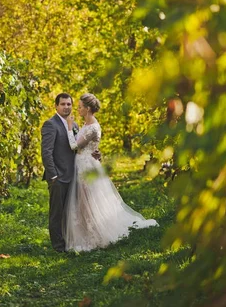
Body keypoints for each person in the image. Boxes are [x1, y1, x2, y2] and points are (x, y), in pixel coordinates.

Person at [63, 93, 158, 252]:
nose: (77, 109)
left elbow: (74, 146)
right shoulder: (86, 125)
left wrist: (68, 126)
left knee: (88, 201)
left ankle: (95, 234)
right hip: (84, 164)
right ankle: (86, 231)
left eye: (79, 107)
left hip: (86, 166)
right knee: (84, 201)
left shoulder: (92, 126)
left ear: (87, 109)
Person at [40, 93, 81, 252]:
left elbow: (77, 148)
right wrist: (53, 175)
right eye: (63, 104)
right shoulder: (50, 124)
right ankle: (58, 247)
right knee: (57, 213)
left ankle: (69, 242)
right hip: (58, 177)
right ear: (56, 106)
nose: (66, 107)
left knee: (70, 213)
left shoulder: (75, 125)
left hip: (73, 175)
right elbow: (46, 152)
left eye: (69, 104)